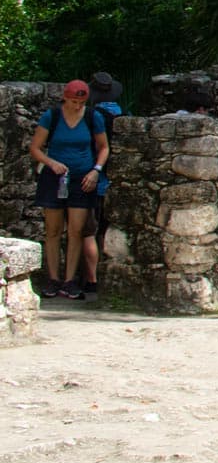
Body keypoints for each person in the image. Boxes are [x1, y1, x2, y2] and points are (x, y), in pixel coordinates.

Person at [29, 80, 111, 300]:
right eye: (74, 101)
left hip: (82, 179)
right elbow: (35, 148)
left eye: (81, 102)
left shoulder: (93, 117)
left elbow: (104, 148)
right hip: (54, 178)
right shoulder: (52, 116)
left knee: (76, 231)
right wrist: (50, 163)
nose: (77, 106)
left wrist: (96, 171)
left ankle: (69, 280)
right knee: (53, 230)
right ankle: (53, 278)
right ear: (65, 98)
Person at [83, 71, 125, 295]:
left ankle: (92, 278)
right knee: (105, 231)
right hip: (117, 182)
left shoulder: (90, 117)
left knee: (89, 230)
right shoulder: (125, 116)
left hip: (94, 179)